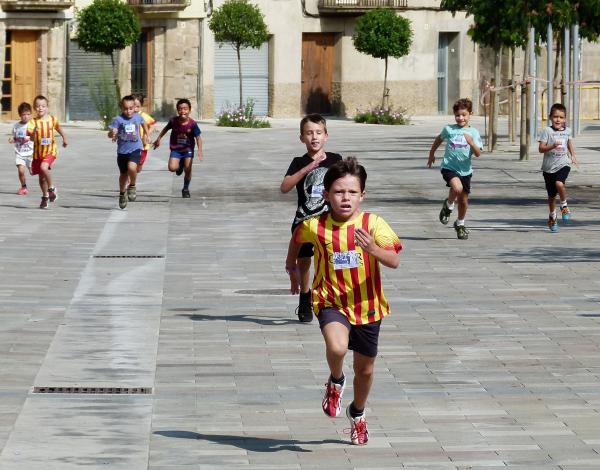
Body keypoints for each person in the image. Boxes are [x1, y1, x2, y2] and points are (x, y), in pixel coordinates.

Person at [285, 157, 401, 446]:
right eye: (338, 192)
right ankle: (335, 380)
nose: (345, 198)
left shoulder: (374, 224)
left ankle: (357, 413)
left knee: (365, 370)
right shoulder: (315, 225)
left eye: (351, 192)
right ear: (326, 195)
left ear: (362, 194)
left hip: (368, 306)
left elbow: (394, 260)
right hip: (330, 301)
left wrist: (373, 248)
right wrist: (292, 268)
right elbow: (297, 237)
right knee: (336, 347)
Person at [280, 114, 342, 322]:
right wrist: (309, 167)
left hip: (330, 220)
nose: (314, 137)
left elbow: (346, 184)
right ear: (302, 138)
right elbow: (285, 187)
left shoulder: (335, 159)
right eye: (309, 133)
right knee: (304, 261)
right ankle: (305, 297)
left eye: (318, 133)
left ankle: (332, 297)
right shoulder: (298, 162)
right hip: (304, 220)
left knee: (332, 259)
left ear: (326, 136)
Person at [427, 98, 482, 240]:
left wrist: (471, 143)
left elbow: (478, 154)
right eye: (458, 115)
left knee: (463, 201)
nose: (460, 118)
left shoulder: (474, 133)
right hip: (449, 167)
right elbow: (438, 140)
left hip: (465, 171)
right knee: (457, 188)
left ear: (471, 114)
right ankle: (449, 205)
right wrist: (431, 154)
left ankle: (460, 224)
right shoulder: (449, 129)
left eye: (464, 115)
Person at [538, 102, 579, 232]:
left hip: (563, 163)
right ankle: (552, 216)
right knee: (551, 197)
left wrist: (573, 156)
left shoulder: (568, 131)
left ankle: (564, 205)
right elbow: (541, 149)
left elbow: (569, 143)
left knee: (559, 183)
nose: (558, 119)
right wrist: (552, 146)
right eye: (555, 116)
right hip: (548, 168)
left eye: (561, 117)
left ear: (565, 119)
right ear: (550, 117)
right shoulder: (547, 131)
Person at [152, 98, 202, 198]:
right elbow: (165, 129)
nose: (183, 111)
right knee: (172, 168)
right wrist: (158, 139)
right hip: (176, 149)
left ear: (189, 110)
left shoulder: (192, 124)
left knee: (188, 169)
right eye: (180, 109)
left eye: (185, 109)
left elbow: (198, 137)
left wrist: (200, 150)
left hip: (188, 149)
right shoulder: (173, 121)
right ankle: (180, 165)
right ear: (177, 110)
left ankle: (185, 188)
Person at [108, 95, 149, 209]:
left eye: (131, 108)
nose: (128, 111)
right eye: (126, 108)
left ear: (134, 107)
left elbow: (144, 123)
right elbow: (109, 134)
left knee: (132, 168)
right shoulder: (118, 120)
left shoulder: (137, 117)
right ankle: (122, 193)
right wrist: (113, 132)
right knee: (123, 175)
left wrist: (146, 135)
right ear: (122, 108)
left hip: (136, 148)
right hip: (122, 152)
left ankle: (132, 186)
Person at [27, 95, 68, 209]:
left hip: (50, 151)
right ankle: (45, 196)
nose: (40, 108)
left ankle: (51, 188)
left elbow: (59, 128)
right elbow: (31, 138)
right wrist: (34, 133)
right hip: (38, 153)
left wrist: (64, 138)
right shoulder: (32, 122)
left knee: (44, 168)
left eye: (43, 106)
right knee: (41, 178)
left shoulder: (53, 119)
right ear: (35, 108)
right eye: (38, 106)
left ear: (47, 107)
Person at [10, 102, 34, 195]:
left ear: (31, 114)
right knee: (21, 171)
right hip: (19, 153)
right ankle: (24, 187)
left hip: (31, 153)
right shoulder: (16, 126)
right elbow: (14, 137)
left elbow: (36, 137)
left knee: (32, 171)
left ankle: (46, 183)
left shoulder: (32, 125)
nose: (26, 116)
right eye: (24, 114)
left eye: (28, 114)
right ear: (20, 114)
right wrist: (12, 139)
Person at [133, 94, 156, 173]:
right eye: (133, 106)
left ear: (141, 105)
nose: (135, 109)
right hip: (132, 144)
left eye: (137, 106)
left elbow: (152, 124)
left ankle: (135, 172)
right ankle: (130, 178)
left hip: (143, 144)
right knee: (131, 164)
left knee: (139, 164)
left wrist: (147, 134)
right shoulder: (128, 115)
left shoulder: (143, 116)